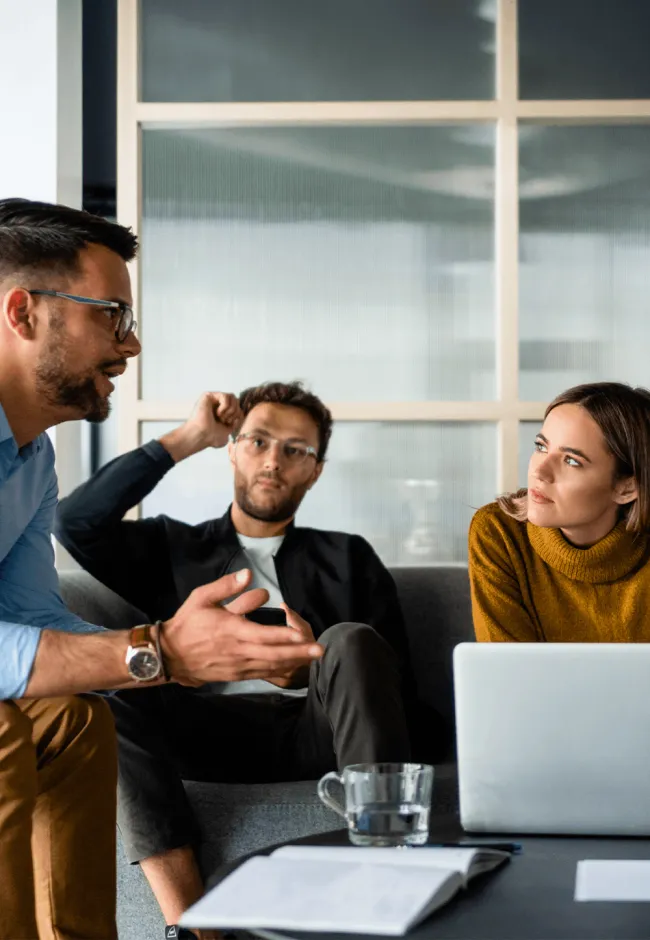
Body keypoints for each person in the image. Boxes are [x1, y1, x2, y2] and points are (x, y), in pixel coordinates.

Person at [0, 199, 322, 940]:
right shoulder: (179, 537)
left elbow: (33, 620)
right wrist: (159, 651)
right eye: (112, 316)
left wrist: (177, 655)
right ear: (23, 313)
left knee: (78, 718)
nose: (131, 344)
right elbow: (84, 529)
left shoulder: (29, 458)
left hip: (281, 725)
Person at [56, 381, 420, 936]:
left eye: (296, 450)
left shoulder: (348, 556)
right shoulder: (170, 546)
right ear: (231, 447)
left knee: (349, 638)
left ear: (316, 470)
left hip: (315, 733)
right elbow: (74, 522)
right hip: (197, 732)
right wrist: (186, 438)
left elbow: (396, 689)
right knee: (116, 677)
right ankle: (196, 928)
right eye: (258, 441)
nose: (273, 461)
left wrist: (308, 671)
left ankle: (386, 889)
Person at [468, 381, 650, 643]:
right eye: (541, 447)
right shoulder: (499, 532)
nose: (539, 472)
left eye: (572, 461)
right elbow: (508, 675)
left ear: (627, 488)